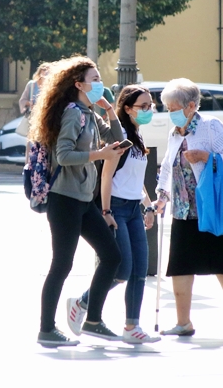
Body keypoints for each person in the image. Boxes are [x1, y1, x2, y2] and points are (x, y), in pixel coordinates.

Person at [29, 56, 126, 347]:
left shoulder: (88, 112)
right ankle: (47, 329)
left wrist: (109, 110)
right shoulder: (73, 113)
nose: (101, 84)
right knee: (62, 264)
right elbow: (63, 156)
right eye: (95, 79)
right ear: (78, 84)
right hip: (65, 199)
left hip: (84, 200)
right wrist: (100, 155)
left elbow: (117, 143)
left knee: (112, 256)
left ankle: (93, 321)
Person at [155, 78, 223, 338]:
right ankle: (183, 321)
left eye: (173, 107)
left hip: (214, 206)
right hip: (183, 211)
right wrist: (161, 196)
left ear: (191, 106)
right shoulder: (175, 133)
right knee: (181, 265)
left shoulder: (210, 127)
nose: (169, 113)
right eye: (167, 108)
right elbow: (166, 168)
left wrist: (206, 157)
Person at [65, 85, 161, 344]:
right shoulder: (121, 137)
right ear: (127, 108)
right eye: (143, 106)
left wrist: (148, 205)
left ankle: (132, 326)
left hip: (132, 209)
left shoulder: (138, 138)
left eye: (150, 105)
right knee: (122, 270)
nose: (148, 110)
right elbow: (107, 176)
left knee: (140, 270)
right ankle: (83, 302)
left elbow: (136, 180)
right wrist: (106, 211)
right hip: (116, 207)